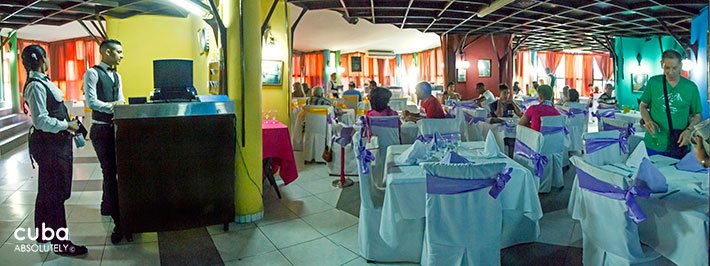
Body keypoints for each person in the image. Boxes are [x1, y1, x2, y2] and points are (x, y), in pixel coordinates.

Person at [22, 45, 88, 256]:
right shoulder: (36, 86)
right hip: (50, 146)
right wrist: (67, 125)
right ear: (42, 59)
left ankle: (43, 233)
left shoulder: (43, 82)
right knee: (56, 194)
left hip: (54, 144)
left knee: (47, 190)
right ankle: (61, 243)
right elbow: (41, 120)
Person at [83, 39, 126, 244]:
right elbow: (91, 102)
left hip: (115, 128)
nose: (122, 55)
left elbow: (122, 100)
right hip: (100, 129)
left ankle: (107, 205)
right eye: (118, 52)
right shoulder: (92, 73)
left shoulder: (117, 75)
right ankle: (116, 216)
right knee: (109, 172)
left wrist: (119, 105)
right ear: (107, 52)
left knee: (113, 171)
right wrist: (114, 105)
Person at [640, 50, 702, 159]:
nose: (671, 72)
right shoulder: (653, 82)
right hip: (654, 142)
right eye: (667, 68)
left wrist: (689, 130)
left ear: (681, 66)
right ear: (661, 64)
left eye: (675, 68)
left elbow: (697, 115)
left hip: (680, 143)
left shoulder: (691, 87)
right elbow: (643, 105)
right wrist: (647, 120)